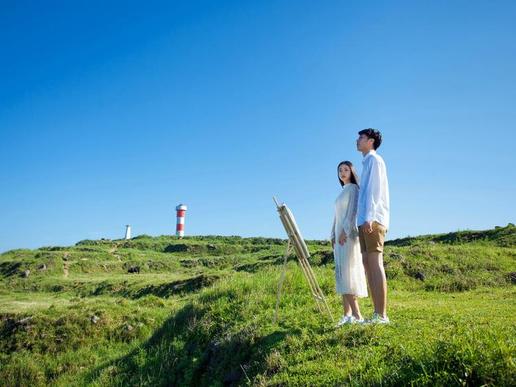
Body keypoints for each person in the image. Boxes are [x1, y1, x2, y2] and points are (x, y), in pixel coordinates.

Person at [356, 128, 390, 324]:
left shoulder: (375, 160)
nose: (357, 140)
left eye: (361, 137)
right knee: (368, 265)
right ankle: (376, 313)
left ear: (370, 141)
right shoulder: (367, 162)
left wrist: (369, 217)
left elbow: (374, 192)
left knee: (375, 264)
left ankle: (382, 315)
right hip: (365, 220)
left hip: (373, 219)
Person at [331, 161, 368, 326]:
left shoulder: (353, 189)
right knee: (341, 274)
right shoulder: (341, 192)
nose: (342, 172)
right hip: (338, 237)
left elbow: (353, 212)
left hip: (347, 236)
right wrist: (333, 234)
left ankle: (358, 316)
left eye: (346, 169)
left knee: (347, 275)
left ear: (352, 172)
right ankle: (347, 315)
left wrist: (344, 232)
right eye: (340, 170)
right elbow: (336, 217)